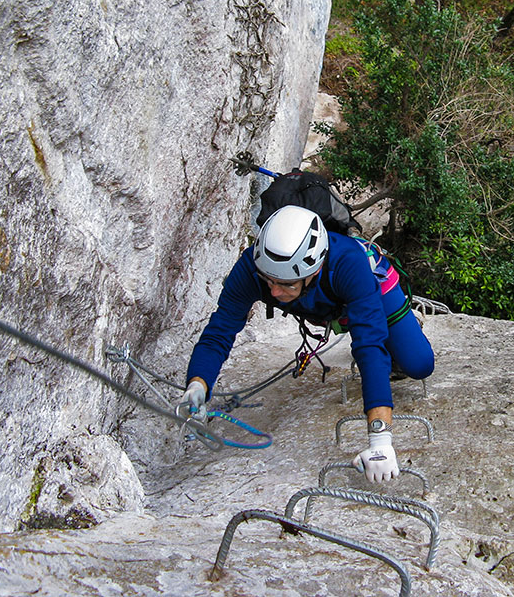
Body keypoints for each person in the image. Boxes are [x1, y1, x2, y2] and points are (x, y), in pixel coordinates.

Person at [180, 205, 434, 482]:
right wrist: (198, 383)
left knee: (418, 363)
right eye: (270, 282)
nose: (274, 292)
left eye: (286, 284)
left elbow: (369, 346)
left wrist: (380, 439)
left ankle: (404, 329)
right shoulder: (253, 268)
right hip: (324, 302)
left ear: (314, 270)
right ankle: (371, 327)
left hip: (374, 287)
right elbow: (220, 331)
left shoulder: (348, 263)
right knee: (345, 321)